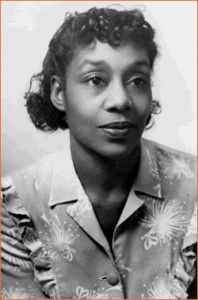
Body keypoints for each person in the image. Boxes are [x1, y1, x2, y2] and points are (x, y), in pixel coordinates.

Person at [1, 6, 196, 299]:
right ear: (58, 92)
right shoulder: (16, 206)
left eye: (138, 81)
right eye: (96, 79)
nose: (121, 100)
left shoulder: (194, 187)